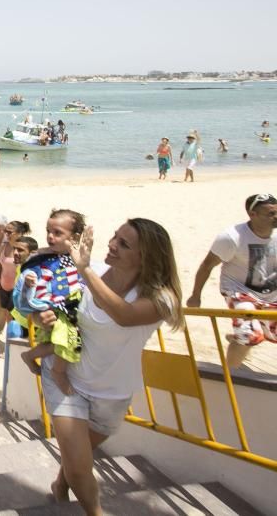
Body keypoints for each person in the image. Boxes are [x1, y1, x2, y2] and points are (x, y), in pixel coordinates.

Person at [36, 218, 183, 515]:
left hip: (112, 394)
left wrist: (85, 269)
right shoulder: (92, 274)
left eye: (124, 244)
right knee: (79, 466)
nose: (112, 244)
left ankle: (60, 486)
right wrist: (46, 317)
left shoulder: (162, 299)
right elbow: (59, 311)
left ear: (147, 259)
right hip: (66, 380)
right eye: (115, 236)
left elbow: (124, 314)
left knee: (79, 456)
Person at [187, 193, 277, 369]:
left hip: (270, 295)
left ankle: (238, 337)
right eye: (271, 214)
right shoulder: (231, 237)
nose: (276, 217)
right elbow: (207, 265)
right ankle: (229, 377)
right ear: (253, 214)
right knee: (250, 336)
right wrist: (195, 296)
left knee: (271, 334)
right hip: (240, 292)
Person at [15, 210, 88, 396]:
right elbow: (24, 285)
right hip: (53, 308)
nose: (50, 236)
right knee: (67, 338)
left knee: (63, 341)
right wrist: (28, 281)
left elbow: (84, 279)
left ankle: (30, 355)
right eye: (48, 231)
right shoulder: (40, 258)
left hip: (71, 308)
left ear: (75, 237)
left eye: (57, 233)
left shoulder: (79, 258)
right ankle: (58, 371)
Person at [0, 220, 32, 314]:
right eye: (5, 231)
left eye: (9, 232)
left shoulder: (25, 249)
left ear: (20, 233)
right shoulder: (4, 245)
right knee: (6, 313)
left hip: (18, 289)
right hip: (3, 287)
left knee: (15, 316)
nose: (6, 234)